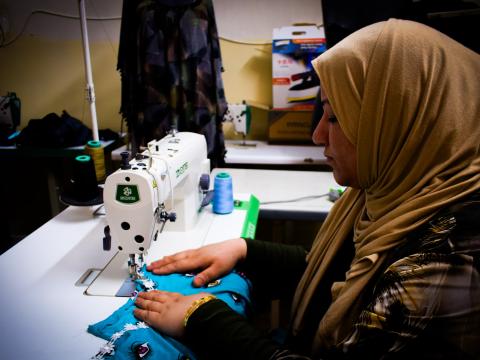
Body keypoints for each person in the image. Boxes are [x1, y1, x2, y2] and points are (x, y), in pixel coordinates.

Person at [133, 19, 480, 359]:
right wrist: (244, 250)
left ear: (397, 122)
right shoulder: (391, 195)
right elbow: (337, 274)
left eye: (334, 117)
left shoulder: (439, 265)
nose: (317, 136)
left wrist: (205, 319)